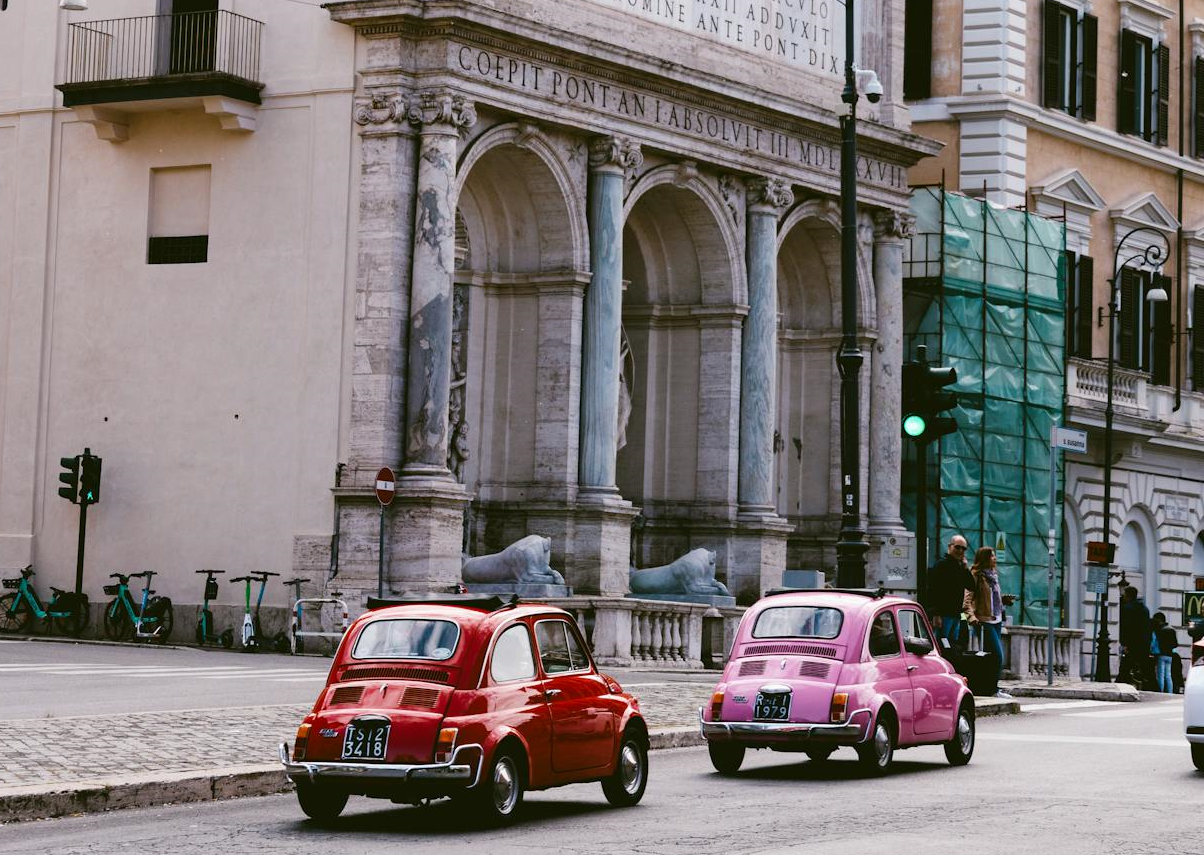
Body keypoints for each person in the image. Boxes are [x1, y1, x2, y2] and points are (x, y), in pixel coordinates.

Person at [963, 546, 1015, 699]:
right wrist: (971, 618)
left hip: (997, 619)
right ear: (985, 558)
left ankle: (992, 687)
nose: (995, 558)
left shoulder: (993, 575)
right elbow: (967, 600)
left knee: (992, 657)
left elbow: (991, 598)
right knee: (997, 656)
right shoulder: (976, 575)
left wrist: (1004, 600)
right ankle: (992, 688)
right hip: (984, 621)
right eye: (992, 556)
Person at [927, 535, 974, 646]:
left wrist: (965, 568)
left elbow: (971, 586)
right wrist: (936, 614)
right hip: (943, 615)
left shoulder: (960, 567)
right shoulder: (941, 564)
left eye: (963, 548)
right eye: (957, 547)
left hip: (955, 615)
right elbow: (933, 590)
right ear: (949, 547)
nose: (960, 551)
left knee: (951, 647)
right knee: (941, 645)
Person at [1118, 583, 1151, 688]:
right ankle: (1151, 686)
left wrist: (1124, 643)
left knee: (1125, 666)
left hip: (1132, 643)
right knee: (1146, 668)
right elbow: (1147, 627)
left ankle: (1120, 685)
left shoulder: (1127, 608)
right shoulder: (1145, 609)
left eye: (1124, 595)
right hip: (1144, 644)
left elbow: (1127, 628)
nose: (1123, 597)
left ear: (1128, 596)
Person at [1150, 611, 1179, 694]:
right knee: (1168, 675)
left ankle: (1161, 692)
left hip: (1161, 655)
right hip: (1170, 655)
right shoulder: (1172, 629)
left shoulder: (1159, 630)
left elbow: (1155, 642)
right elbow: (1175, 644)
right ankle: (1170, 692)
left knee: (1160, 675)